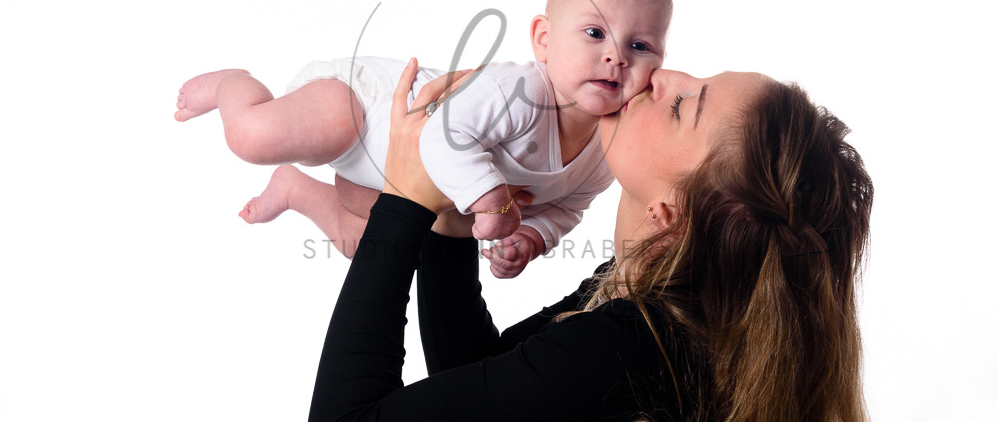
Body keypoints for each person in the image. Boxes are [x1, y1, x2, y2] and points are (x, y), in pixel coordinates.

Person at [307, 59, 873, 421]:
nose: (662, 76)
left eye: (683, 107)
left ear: (670, 214)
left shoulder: (626, 351)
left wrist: (403, 202)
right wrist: (451, 208)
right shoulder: (655, 305)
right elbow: (477, 376)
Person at [174, 0, 672, 277]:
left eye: (640, 45)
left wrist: (532, 239)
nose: (616, 56)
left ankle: (295, 190)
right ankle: (232, 84)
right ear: (543, 39)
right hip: (365, 111)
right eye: (594, 33)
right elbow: (442, 136)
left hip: (389, 182)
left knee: (378, 251)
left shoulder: (608, 155)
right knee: (252, 137)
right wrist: (492, 201)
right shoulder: (519, 91)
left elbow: (568, 208)